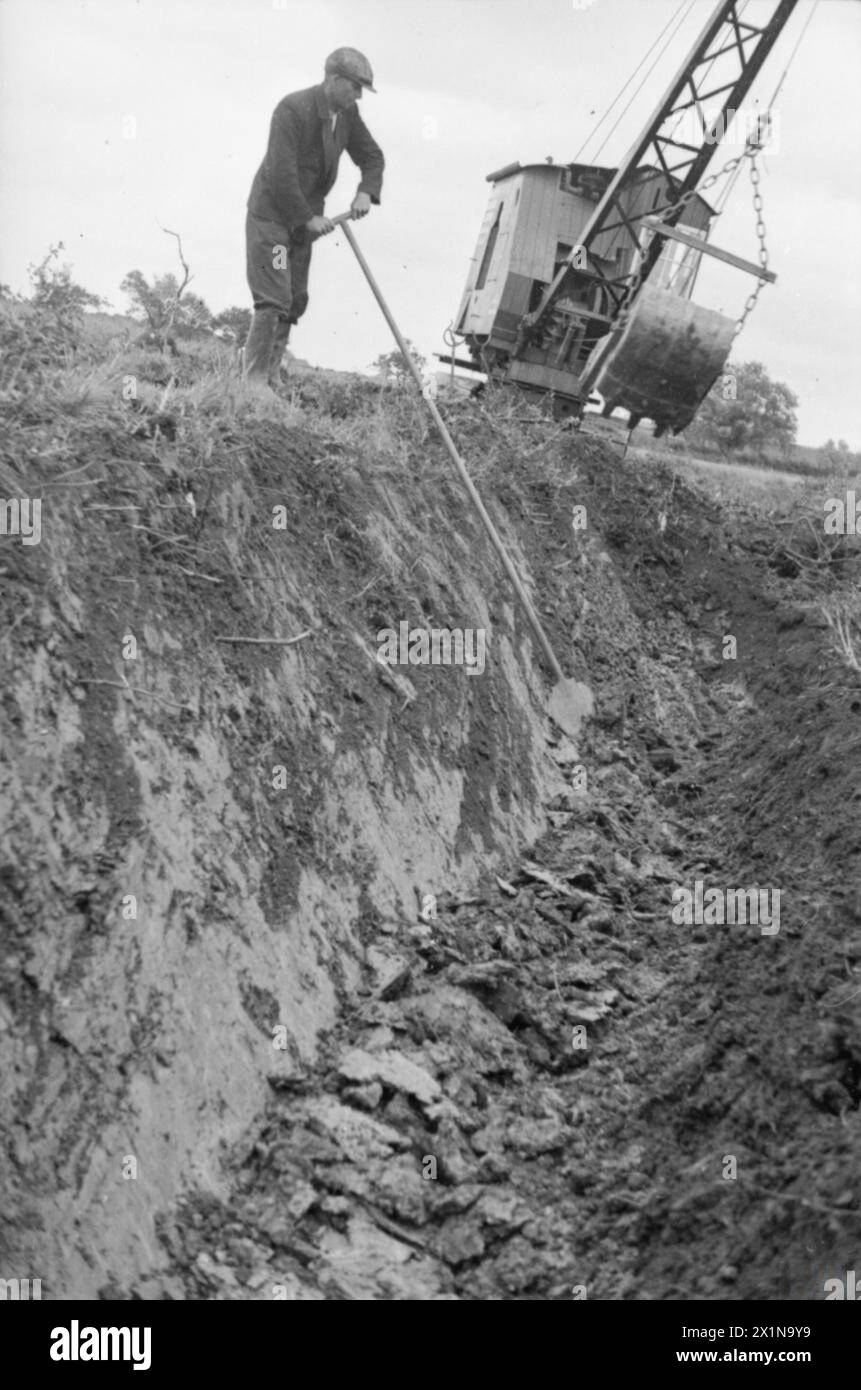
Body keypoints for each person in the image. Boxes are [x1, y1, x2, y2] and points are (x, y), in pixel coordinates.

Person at [244, 47, 385, 387]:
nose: (358, 96)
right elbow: (281, 172)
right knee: (274, 295)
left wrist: (366, 191)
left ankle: (272, 374)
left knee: (294, 297)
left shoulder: (347, 116)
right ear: (334, 80)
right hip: (274, 223)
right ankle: (253, 380)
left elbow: (372, 156)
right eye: (354, 87)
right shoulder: (293, 108)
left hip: (302, 230)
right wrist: (307, 218)